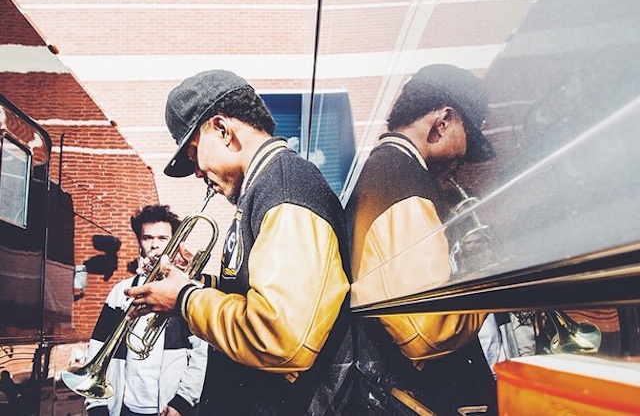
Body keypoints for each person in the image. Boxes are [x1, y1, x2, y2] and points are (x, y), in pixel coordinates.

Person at [125, 70, 353, 415]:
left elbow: (279, 337)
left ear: (222, 129)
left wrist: (185, 298)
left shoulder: (284, 190)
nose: (197, 172)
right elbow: (252, 295)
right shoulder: (266, 187)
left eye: (193, 154)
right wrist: (196, 283)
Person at [346, 64, 498, 415]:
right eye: (467, 140)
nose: (462, 158)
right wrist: (489, 279)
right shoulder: (402, 180)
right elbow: (428, 331)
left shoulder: (384, 170)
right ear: (443, 121)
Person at [85, 205, 208, 416]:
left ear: (175, 242)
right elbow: (97, 347)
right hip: (123, 408)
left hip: (169, 408)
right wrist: (96, 405)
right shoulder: (121, 292)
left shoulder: (186, 292)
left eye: (163, 238)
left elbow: (200, 354)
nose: (155, 245)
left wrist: (182, 402)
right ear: (140, 242)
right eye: (147, 238)